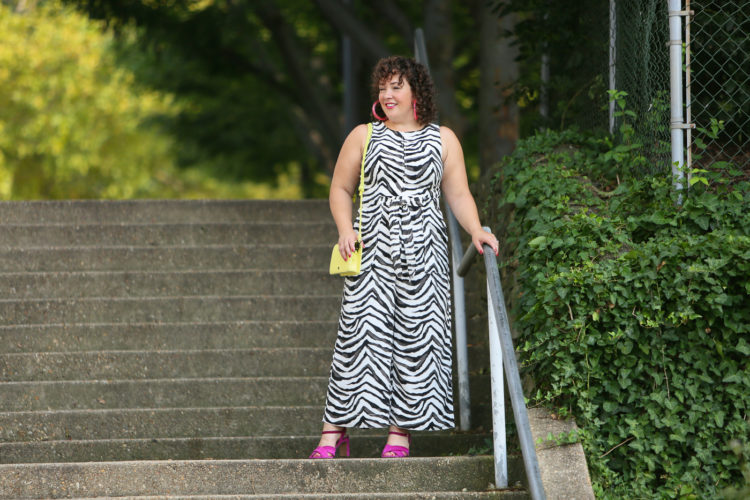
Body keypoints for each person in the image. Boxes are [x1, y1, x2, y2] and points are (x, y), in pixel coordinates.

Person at [309, 55, 499, 459]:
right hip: (372, 253)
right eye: (382, 87)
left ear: (417, 91)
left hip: (425, 257)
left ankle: (400, 434)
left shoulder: (443, 139)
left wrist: (476, 230)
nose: (387, 93)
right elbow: (340, 190)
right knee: (358, 339)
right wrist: (346, 229)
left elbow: (459, 194)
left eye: (396, 86)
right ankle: (333, 432)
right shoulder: (364, 136)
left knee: (417, 341)